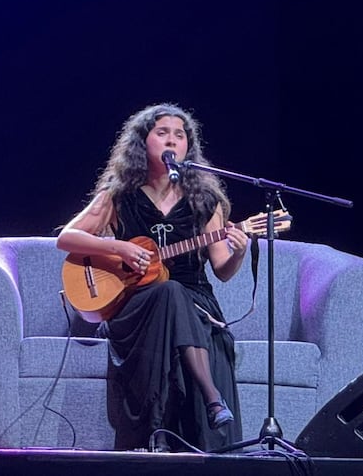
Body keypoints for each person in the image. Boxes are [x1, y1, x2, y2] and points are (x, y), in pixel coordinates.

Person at [57, 103, 249, 452]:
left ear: (189, 147)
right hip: (136, 303)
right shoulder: (119, 196)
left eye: (180, 135)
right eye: (162, 133)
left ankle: (178, 433)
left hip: (196, 301)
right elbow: (67, 238)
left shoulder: (205, 201)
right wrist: (119, 248)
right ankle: (211, 398)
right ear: (142, 143)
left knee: (173, 291)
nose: (172, 140)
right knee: (167, 292)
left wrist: (238, 251)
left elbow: (222, 269)